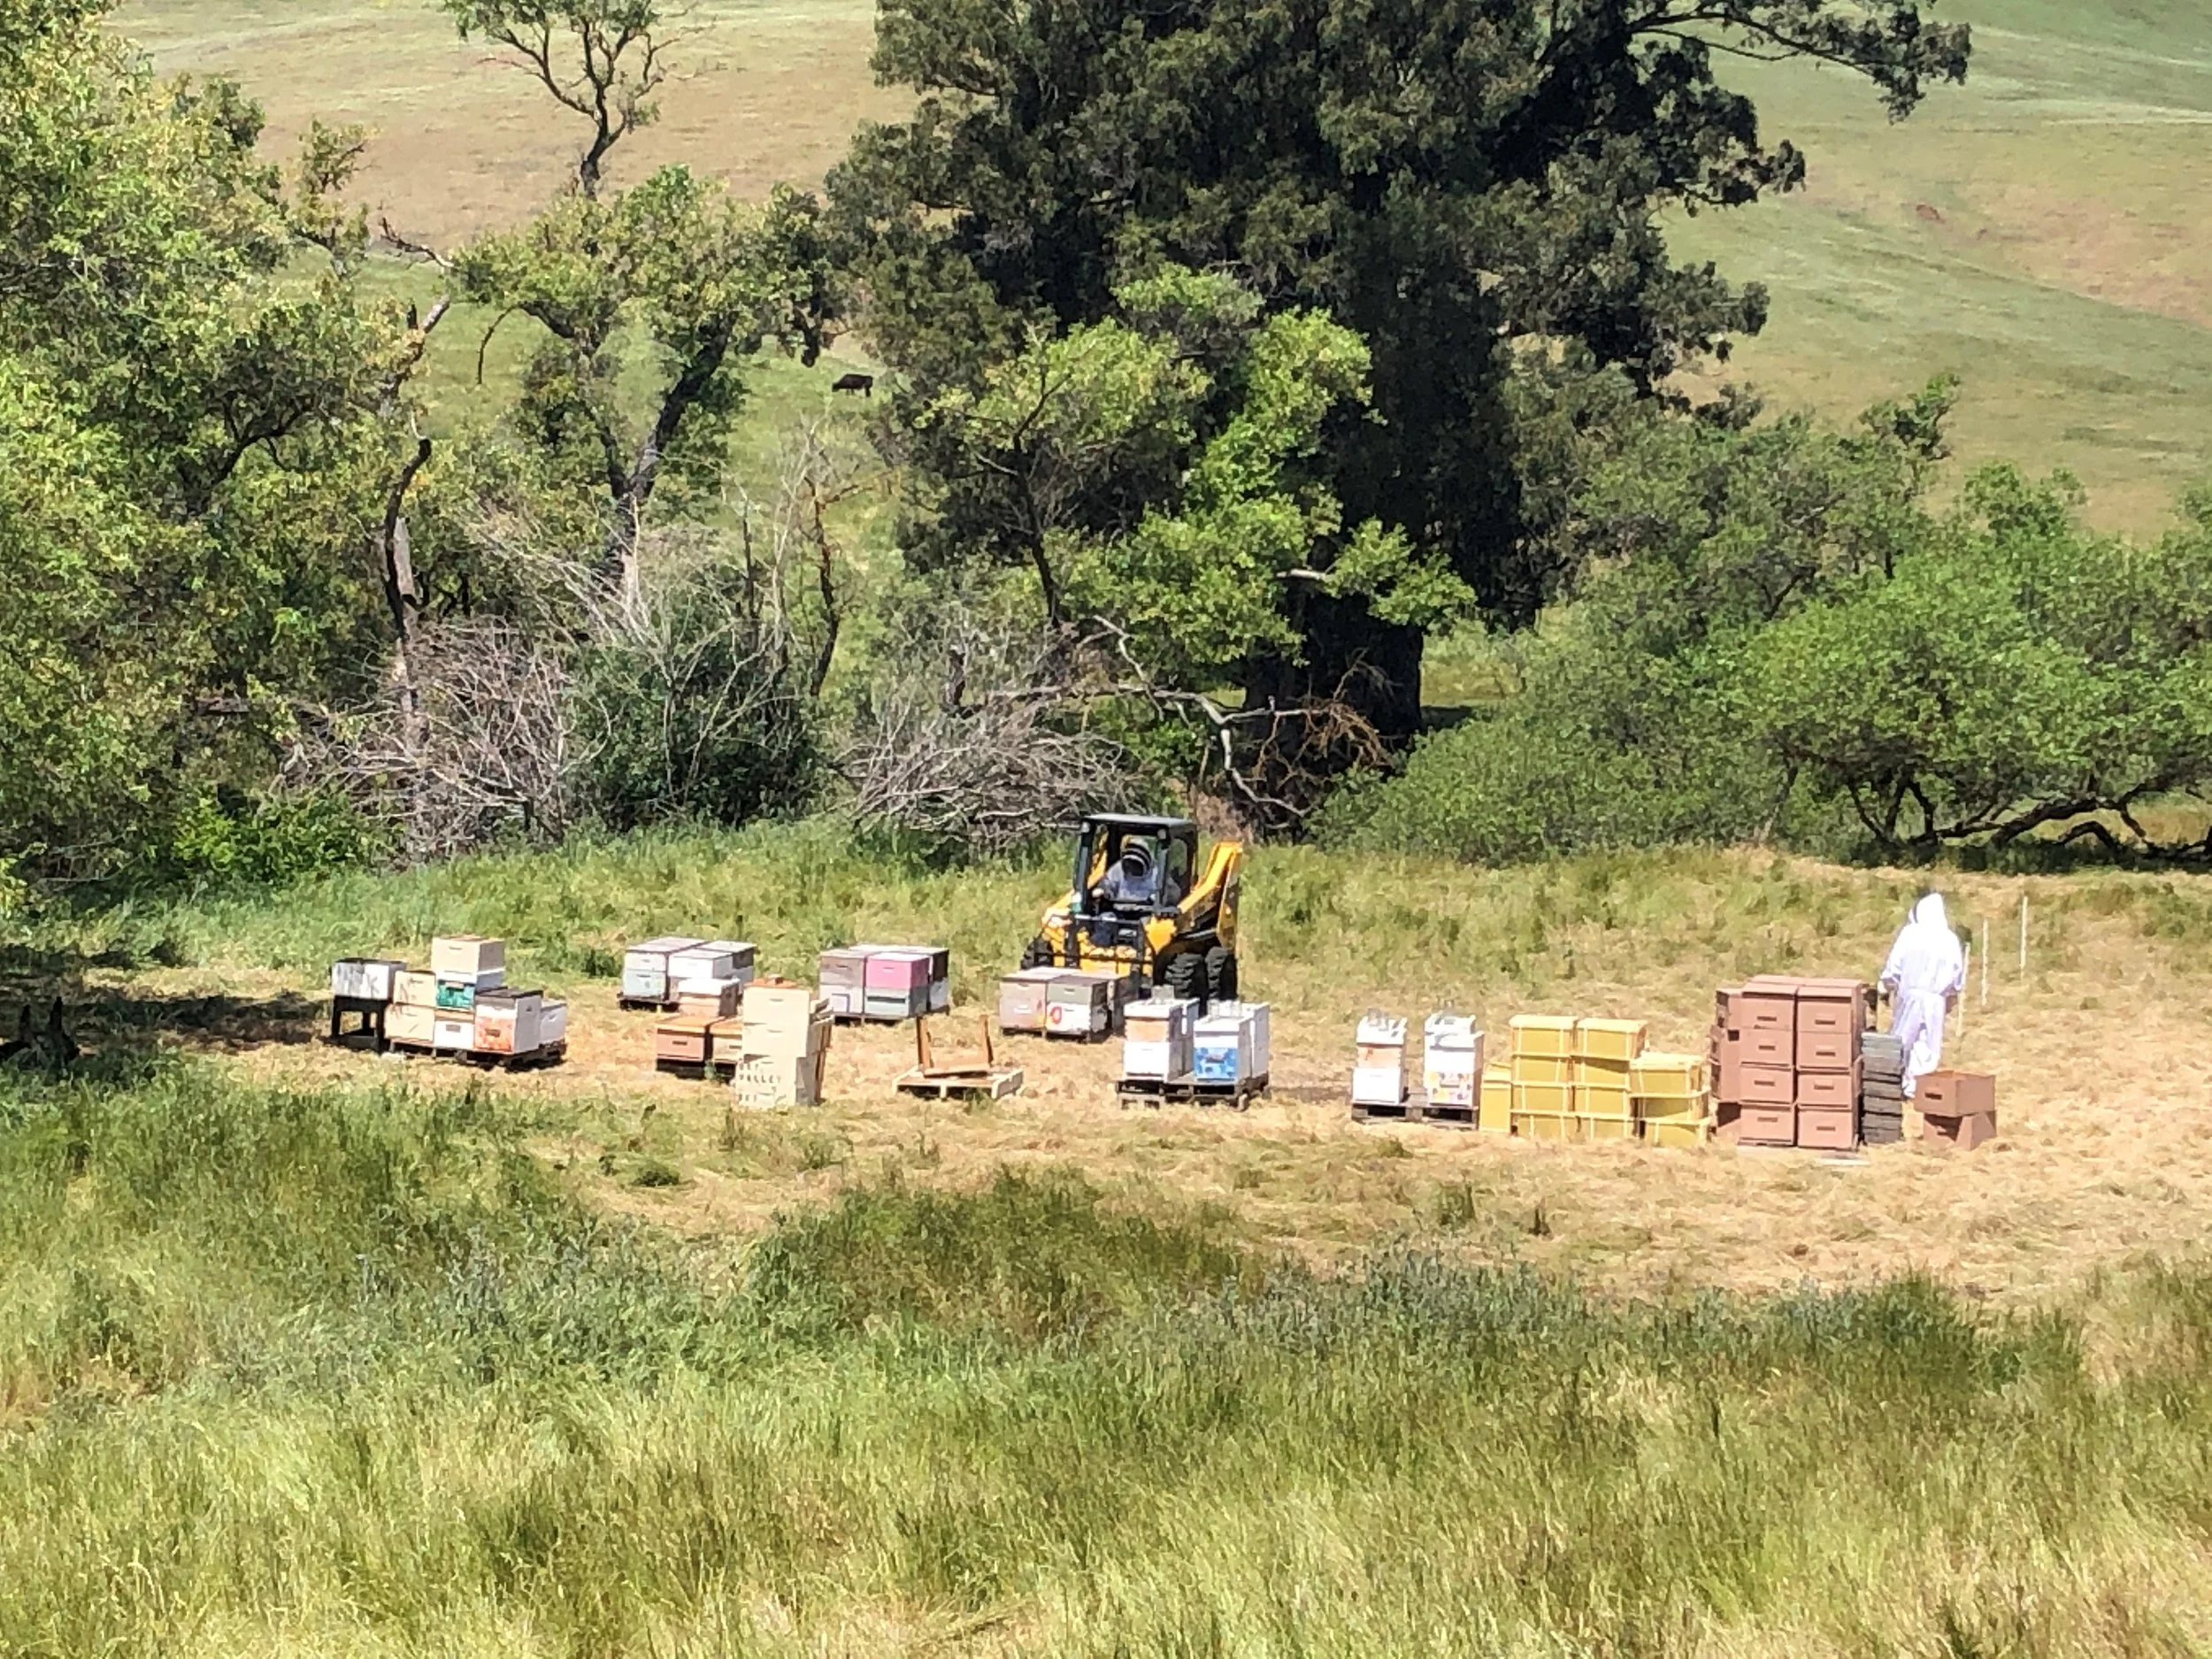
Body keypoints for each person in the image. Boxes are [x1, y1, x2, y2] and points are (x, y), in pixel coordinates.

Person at [1880, 892, 1966, 1098]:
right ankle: (1918, 1090)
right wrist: (1952, 995)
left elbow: (1895, 964)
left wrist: (1886, 985)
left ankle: (1896, 1085)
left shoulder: (1911, 933)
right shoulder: (1950, 939)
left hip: (1910, 994)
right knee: (1928, 1044)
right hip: (1936, 999)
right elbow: (1957, 973)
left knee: (1902, 1039)